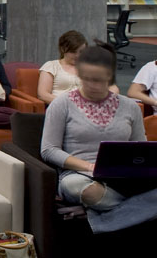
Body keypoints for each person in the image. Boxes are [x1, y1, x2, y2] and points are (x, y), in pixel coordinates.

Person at [41, 43, 157, 233]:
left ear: (109, 76)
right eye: (87, 79)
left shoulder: (130, 107)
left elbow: (140, 149)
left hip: (124, 177)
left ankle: (91, 215)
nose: (93, 85)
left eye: (99, 80)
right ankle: (137, 210)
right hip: (79, 175)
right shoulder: (61, 105)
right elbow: (48, 150)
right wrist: (87, 166)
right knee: (81, 188)